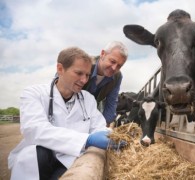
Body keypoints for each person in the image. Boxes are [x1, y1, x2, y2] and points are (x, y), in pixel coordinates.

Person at [8, 47, 126, 180]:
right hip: (39, 161)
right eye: (79, 73)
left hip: (69, 158)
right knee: (39, 155)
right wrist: (87, 140)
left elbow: (98, 127)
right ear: (60, 69)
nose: (84, 80)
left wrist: (116, 137)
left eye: (87, 75)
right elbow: (34, 129)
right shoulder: (34, 93)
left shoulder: (87, 99)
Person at [83, 41, 128, 127]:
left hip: (92, 111)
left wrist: (103, 126)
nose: (114, 68)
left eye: (119, 66)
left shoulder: (117, 77)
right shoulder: (84, 64)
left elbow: (111, 102)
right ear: (103, 54)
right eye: (112, 61)